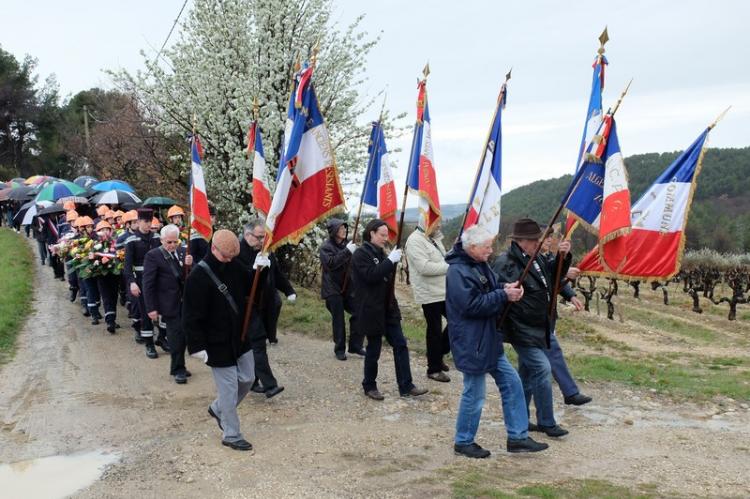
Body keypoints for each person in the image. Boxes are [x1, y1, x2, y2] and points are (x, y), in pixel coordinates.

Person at [446, 225, 548, 458]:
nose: (491, 251)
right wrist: (503, 296)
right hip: (473, 342)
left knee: (512, 384)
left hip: (489, 339)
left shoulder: (478, 264)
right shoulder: (458, 271)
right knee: (474, 392)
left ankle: (518, 437)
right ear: (472, 247)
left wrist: (505, 287)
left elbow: (489, 288)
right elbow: (471, 305)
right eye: (487, 246)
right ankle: (463, 441)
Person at [492, 218, 572, 438]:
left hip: (539, 326)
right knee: (542, 369)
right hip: (521, 328)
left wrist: (562, 257)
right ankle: (547, 422)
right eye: (534, 240)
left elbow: (552, 278)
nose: (539, 243)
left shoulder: (534, 258)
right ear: (521, 241)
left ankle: (523, 419)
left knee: (526, 376)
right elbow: (497, 288)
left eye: (539, 239)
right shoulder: (507, 262)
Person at [183, 229, 256, 451]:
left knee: (248, 378)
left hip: (239, 335)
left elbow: (252, 285)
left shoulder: (233, 264)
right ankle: (231, 434)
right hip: (215, 343)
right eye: (225, 256)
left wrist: (262, 268)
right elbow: (191, 315)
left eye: (232, 256)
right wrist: (196, 346)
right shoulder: (197, 277)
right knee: (229, 389)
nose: (229, 260)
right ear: (214, 248)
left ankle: (217, 408)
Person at [351, 219, 428, 400]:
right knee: (374, 348)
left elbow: (386, 277)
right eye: (382, 235)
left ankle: (406, 385)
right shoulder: (361, 254)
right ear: (371, 233)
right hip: (371, 309)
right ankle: (369, 385)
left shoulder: (382, 253)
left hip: (388, 308)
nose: (386, 238)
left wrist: (392, 262)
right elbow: (371, 275)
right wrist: (390, 262)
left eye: (387, 235)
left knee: (400, 344)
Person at [538, 232, 592, 406]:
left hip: (546, 315)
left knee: (535, 361)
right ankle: (568, 393)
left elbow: (555, 280)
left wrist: (570, 295)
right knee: (551, 353)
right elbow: (549, 278)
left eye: (550, 237)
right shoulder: (531, 261)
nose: (548, 240)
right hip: (535, 318)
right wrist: (565, 272)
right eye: (544, 237)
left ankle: (527, 401)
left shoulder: (545, 258)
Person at [235, 219, 286, 398]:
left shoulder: (263, 251)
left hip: (259, 305)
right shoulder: (236, 251)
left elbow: (274, 277)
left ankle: (252, 381)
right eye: (259, 237)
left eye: (264, 238)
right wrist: (253, 269)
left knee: (251, 345)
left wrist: (288, 290)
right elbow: (238, 280)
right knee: (257, 341)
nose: (262, 241)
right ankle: (269, 385)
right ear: (248, 235)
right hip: (240, 306)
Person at [143, 224, 193, 384]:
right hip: (168, 303)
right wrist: (151, 308)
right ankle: (178, 370)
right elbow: (148, 283)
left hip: (185, 302)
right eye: (168, 242)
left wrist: (189, 264)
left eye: (175, 242)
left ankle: (178, 365)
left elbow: (188, 277)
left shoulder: (183, 252)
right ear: (162, 240)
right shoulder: (153, 256)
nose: (172, 245)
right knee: (176, 336)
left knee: (184, 335)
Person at [405, 223, 451, 382]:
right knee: (435, 329)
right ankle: (434, 369)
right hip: (429, 293)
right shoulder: (414, 241)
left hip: (443, 290)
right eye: (436, 222)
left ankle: (437, 354)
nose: (439, 225)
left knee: (457, 320)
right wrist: (450, 267)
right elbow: (424, 267)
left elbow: (441, 258)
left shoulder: (434, 238)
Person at [319, 218, 364, 360]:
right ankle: (339, 349)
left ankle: (355, 345)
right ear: (333, 232)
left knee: (359, 311)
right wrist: (347, 252)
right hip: (332, 289)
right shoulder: (325, 247)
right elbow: (331, 264)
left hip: (347, 288)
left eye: (345, 228)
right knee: (338, 319)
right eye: (341, 228)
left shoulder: (346, 245)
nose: (344, 230)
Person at [125, 208, 164, 358]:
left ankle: (162, 338)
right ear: (139, 221)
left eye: (150, 221)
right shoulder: (132, 240)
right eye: (145, 221)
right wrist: (132, 282)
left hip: (159, 280)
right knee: (147, 312)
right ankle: (149, 343)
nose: (148, 224)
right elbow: (127, 266)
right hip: (141, 281)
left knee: (163, 310)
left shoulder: (157, 238)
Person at [94, 220, 122, 333]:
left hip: (114, 274)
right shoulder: (94, 244)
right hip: (102, 274)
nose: (105, 232)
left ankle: (113, 319)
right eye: (102, 230)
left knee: (114, 296)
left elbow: (119, 255)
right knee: (106, 297)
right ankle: (109, 321)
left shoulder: (115, 242)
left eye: (107, 229)